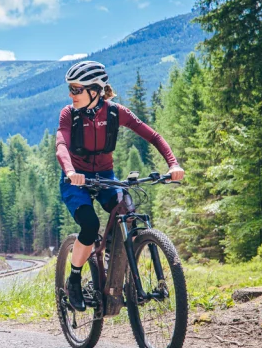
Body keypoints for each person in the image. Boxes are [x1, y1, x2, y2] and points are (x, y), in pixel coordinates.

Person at [56, 61, 185, 311]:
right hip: (76, 180)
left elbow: (153, 136)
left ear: (95, 90)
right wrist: (70, 171)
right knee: (90, 224)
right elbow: (61, 144)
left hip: (105, 176)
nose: (71, 95)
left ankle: (111, 264)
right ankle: (74, 279)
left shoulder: (116, 113)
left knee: (126, 211)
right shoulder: (69, 114)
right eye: (70, 89)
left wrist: (173, 164)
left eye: (76, 89)